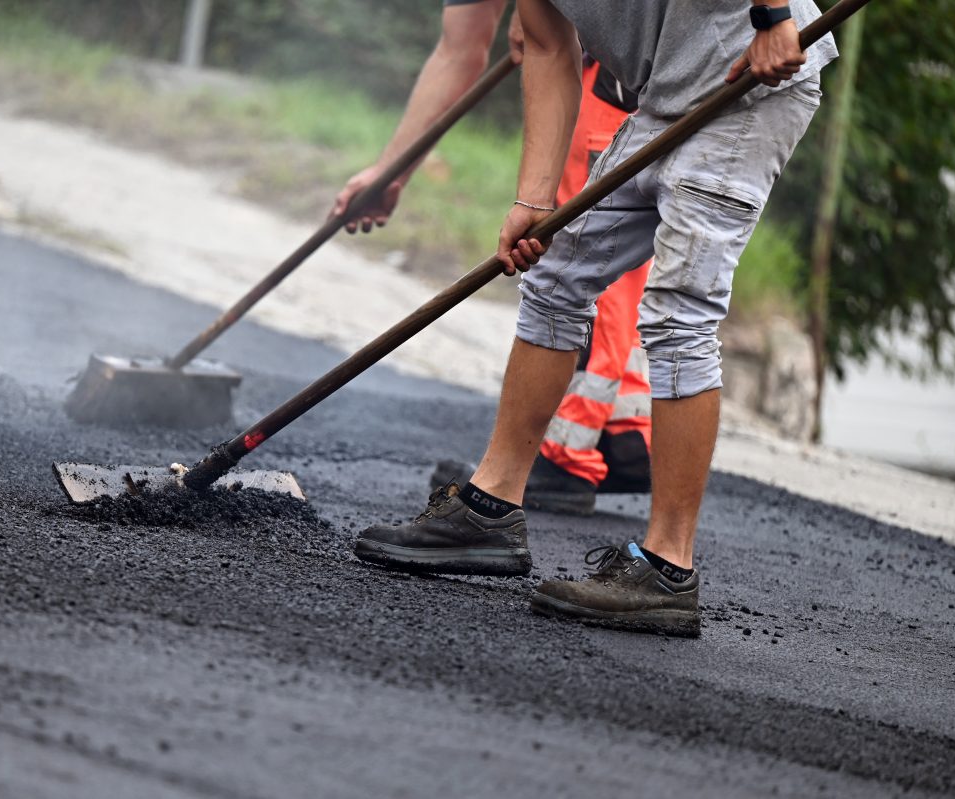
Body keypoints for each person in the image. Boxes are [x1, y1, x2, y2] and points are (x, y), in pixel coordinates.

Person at [354, 0, 836, 637]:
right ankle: (490, 508)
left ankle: (668, 568)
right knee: (556, 271)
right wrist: (533, 199)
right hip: (667, 95)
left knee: (678, 315)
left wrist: (775, 13)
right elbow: (551, 49)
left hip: (747, 84)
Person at [333, 0, 652, 517]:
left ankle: (567, 453)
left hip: (616, 73)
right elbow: (460, 46)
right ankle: (620, 437)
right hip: (599, 69)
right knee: (606, 254)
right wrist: (392, 170)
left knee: (585, 252)